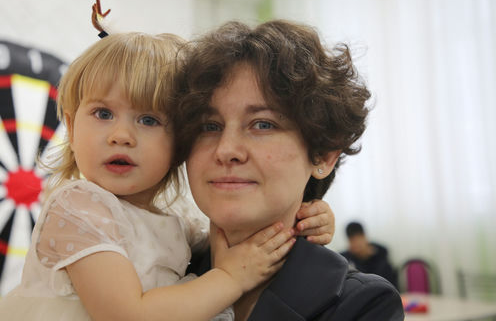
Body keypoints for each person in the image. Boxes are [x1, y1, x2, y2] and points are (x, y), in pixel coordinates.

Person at [0, 28, 335, 321]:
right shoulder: (79, 208)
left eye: (148, 120)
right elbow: (127, 315)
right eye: (103, 114)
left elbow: (231, 237)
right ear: (72, 129)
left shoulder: (173, 222)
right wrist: (230, 277)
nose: (121, 135)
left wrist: (306, 218)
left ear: (181, 143)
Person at [173, 20, 405, 320]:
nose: (226, 150)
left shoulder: (364, 304)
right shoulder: (152, 273)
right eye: (209, 126)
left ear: (323, 155)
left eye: (262, 124)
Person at [340, 221, 399, 289]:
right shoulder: (345, 259)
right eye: (351, 240)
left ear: (364, 237)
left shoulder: (382, 255)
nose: (355, 244)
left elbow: (392, 284)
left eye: (357, 239)